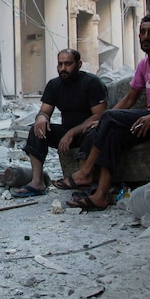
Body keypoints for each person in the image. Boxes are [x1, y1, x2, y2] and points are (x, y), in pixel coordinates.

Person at [64, 15, 150, 211]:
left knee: (108, 118)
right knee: (113, 134)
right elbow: (129, 99)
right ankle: (101, 195)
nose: (146, 36)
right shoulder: (144, 64)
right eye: (143, 32)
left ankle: (84, 173)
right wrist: (102, 122)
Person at [12, 49, 107, 197]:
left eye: (68, 64)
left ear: (79, 64)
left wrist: (71, 133)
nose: (63, 68)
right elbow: (44, 111)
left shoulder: (92, 83)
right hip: (66, 131)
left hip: (86, 132)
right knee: (36, 129)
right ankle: (37, 182)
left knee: (93, 132)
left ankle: (85, 182)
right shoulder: (54, 85)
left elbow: (99, 115)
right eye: (60, 64)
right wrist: (41, 118)